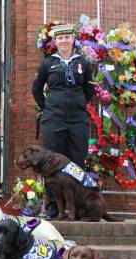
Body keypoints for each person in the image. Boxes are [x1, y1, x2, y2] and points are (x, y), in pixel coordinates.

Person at [31, 24, 94, 219]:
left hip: (78, 120)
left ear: (73, 40)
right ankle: (52, 206)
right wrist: (48, 108)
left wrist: (78, 105)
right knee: (50, 162)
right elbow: (36, 89)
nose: (64, 41)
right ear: (55, 41)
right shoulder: (48, 63)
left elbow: (89, 92)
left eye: (67, 37)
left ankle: (76, 207)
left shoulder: (83, 63)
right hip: (54, 119)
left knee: (77, 161)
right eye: (60, 38)